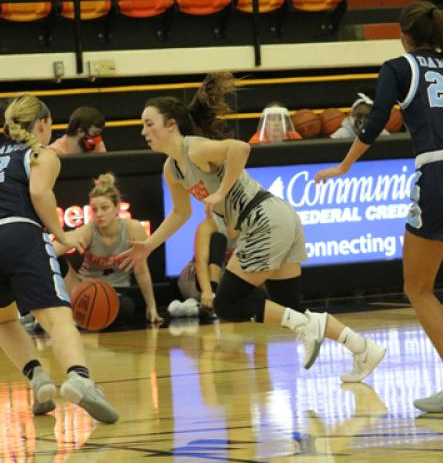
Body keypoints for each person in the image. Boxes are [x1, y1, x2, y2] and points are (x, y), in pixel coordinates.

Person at [118, 72, 386, 380]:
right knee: (289, 310)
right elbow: (180, 213)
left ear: (170, 124)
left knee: (228, 303)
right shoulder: (172, 168)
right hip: (277, 217)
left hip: (263, 220)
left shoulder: (195, 148)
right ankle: (363, 348)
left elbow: (240, 149)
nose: (143, 131)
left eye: (148, 123)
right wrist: (149, 245)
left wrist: (220, 192)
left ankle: (315, 330)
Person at [315, 1, 443, 412]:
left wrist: (344, 165)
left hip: (440, 173)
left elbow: (377, 118)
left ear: (404, 35)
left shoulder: (399, 67)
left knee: (417, 288)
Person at [0, 94, 118, 423]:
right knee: (58, 318)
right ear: (42, 124)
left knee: (5, 320)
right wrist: (61, 234)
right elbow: (39, 192)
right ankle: (79, 377)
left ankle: (37, 378)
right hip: (20, 232)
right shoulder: (41, 154)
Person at [53, 173, 163, 324]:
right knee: (55, 260)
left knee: (126, 308)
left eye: (104, 208)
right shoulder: (89, 230)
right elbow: (51, 250)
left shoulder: (133, 229)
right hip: (84, 286)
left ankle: (79, 317)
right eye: (94, 209)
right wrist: (65, 241)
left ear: (117, 207)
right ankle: (53, 311)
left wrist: (152, 306)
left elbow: (141, 270)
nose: (99, 214)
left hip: (116, 289)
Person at [171, 215, 237, 317]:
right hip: (197, 280)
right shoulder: (209, 225)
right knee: (218, 239)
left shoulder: (255, 226)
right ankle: (212, 297)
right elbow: (200, 260)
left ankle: (194, 307)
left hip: (226, 283)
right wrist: (207, 291)